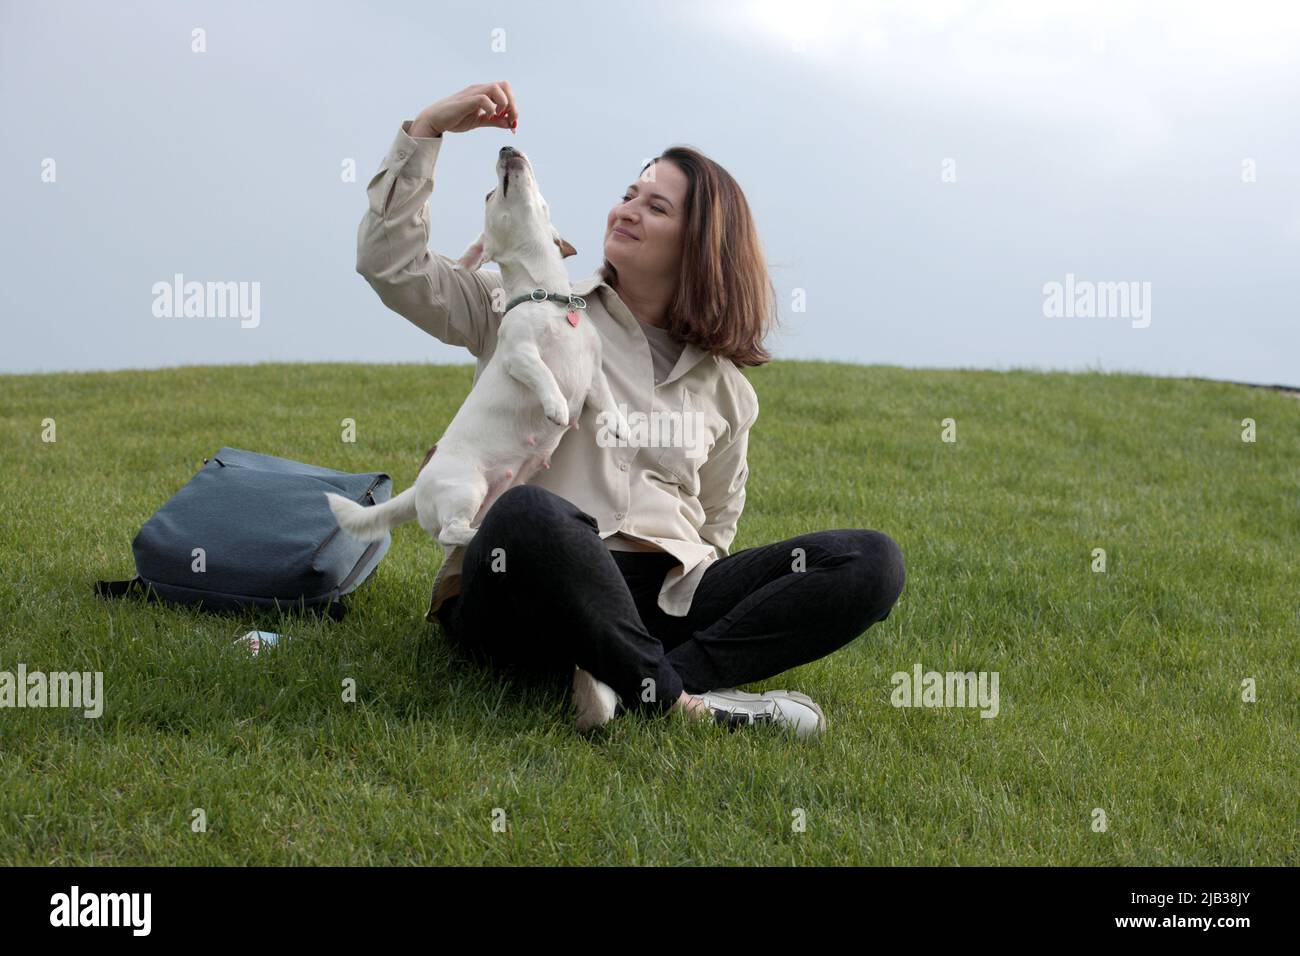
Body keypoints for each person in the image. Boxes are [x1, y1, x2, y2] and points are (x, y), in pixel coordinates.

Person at [356, 81, 906, 738]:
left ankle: (643, 674)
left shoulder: (730, 391)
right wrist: (427, 130)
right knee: (531, 515)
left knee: (871, 561)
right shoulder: (528, 300)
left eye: (656, 206)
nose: (628, 210)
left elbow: (714, 532)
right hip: (526, 582)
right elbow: (391, 266)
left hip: (660, 600)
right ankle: (681, 703)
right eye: (628, 195)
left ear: (701, 242)